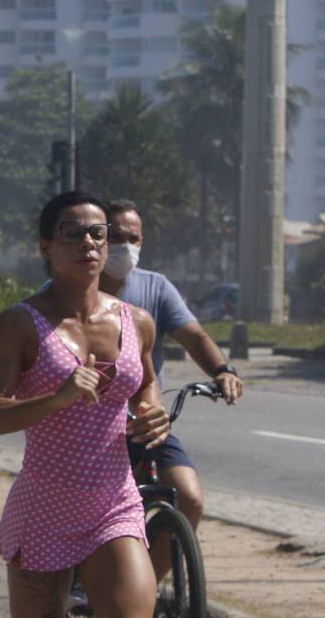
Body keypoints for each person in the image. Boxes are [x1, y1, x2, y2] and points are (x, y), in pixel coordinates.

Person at [0, 191, 171, 617]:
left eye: (99, 234)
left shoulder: (137, 321)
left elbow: (147, 384)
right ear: (45, 246)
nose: (89, 244)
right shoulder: (20, 323)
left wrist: (153, 412)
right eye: (73, 233)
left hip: (114, 503)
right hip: (44, 507)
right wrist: (58, 398)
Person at [101, 199, 244, 574]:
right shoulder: (68, 291)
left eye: (133, 238)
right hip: (90, 429)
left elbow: (193, 336)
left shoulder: (154, 289)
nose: (124, 247)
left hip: (148, 422)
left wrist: (222, 370)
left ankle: (146, 592)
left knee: (189, 498)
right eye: (115, 237)